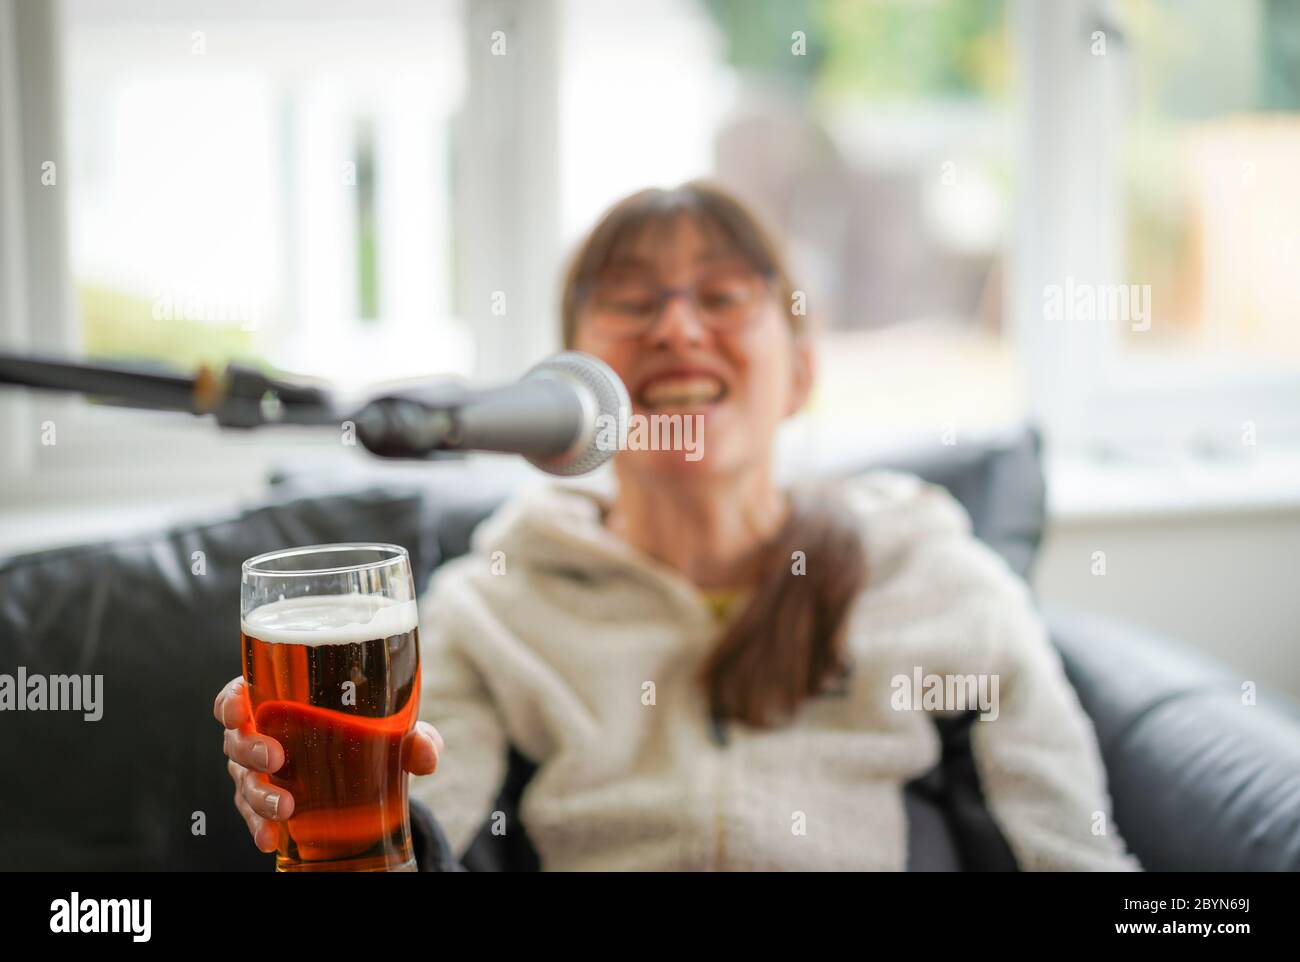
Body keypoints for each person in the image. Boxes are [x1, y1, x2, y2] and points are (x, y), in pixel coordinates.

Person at [215, 181, 1140, 871]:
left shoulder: (935, 578)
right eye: (630, 299)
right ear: (568, 386)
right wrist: (328, 821)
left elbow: (1078, 854)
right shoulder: (485, 610)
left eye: (724, 294)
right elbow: (420, 845)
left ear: (803, 371)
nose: (677, 328)